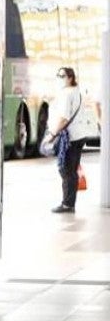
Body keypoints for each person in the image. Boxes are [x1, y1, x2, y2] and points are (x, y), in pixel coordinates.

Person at [46, 66, 98, 212]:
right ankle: (69, 202)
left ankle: (68, 204)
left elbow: (64, 118)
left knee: (66, 170)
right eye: (58, 75)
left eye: (62, 76)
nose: (59, 78)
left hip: (71, 137)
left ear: (70, 78)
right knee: (71, 169)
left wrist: (53, 134)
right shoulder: (77, 91)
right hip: (79, 135)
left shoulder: (67, 94)